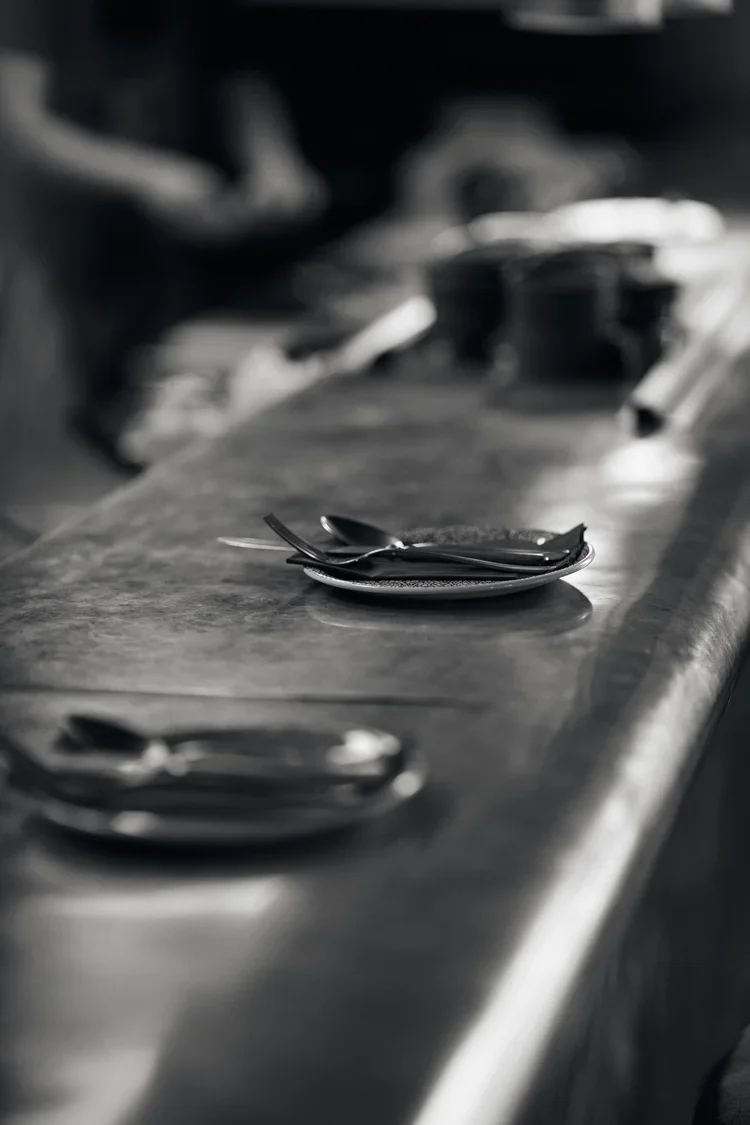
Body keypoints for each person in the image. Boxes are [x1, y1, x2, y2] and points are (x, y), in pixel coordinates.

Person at [0, 0, 329, 472]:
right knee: (91, 421)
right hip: (65, 249)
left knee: (172, 405)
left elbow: (237, 76)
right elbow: (19, 124)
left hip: (167, 257)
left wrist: (273, 157)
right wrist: (148, 176)